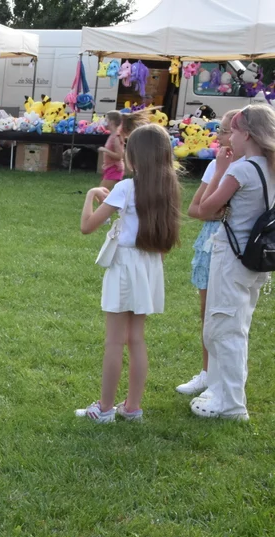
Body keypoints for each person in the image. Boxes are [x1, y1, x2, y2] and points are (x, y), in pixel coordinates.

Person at [76, 124, 180, 422]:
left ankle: (105, 408)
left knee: (114, 340)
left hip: (125, 265)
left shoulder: (125, 187)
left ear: (135, 155)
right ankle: (132, 407)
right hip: (150, 265)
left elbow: (87, 227)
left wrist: (90, 196)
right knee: (136, 338)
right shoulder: (168, 188)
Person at [192, 104, 275, 421]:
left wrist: (220, 169)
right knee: (234, 326)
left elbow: (203, 209)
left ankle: (231, 403)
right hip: (254, 261)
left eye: (233, 131)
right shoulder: (270, 167)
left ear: (248, 134)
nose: (229, 138)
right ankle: (220, 391)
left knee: (225, 329)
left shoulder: (242, 170)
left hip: (232, 257)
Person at [179, 109, 240, 396]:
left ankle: (224, 379)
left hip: (237, 247)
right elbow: (195, 209)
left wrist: (217, 212)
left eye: (225, 130)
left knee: (230, 316)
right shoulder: (217, 164)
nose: (219, 136)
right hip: (209, 244)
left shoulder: (256, 166)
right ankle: (207, 373)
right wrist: (217, 171)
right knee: (207, 313)